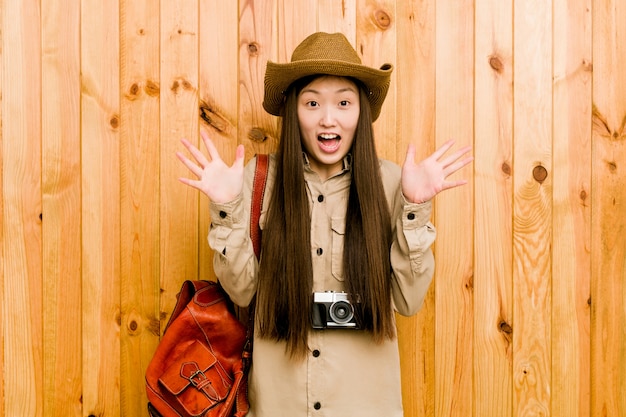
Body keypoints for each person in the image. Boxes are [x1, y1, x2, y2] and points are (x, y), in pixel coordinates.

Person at [177, 32, 472, 417]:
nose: (328, 118)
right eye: (312, 102)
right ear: (293, 110)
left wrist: (415, 207)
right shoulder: (259, 179)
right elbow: (243, 293)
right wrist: (227, 206)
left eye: (343, 103)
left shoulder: (391, 183)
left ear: (360, 112)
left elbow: (409, 300)